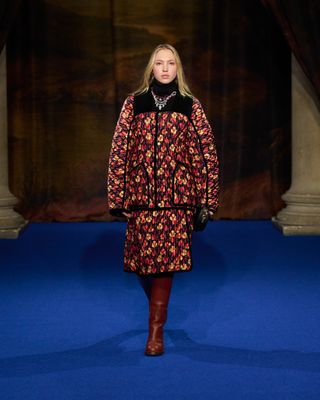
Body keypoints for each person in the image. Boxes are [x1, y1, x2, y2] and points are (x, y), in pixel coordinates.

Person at [107, 43, 219, 356]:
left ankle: (155, 331)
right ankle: (159, 304)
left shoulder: (189, 105)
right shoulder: (135, 103)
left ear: (178, 68)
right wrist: (118, 197)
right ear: (151, 68)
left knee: (165, 263)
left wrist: (207, 201)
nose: (166, 69)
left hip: (177, 198)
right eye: (160, 63)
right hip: (141, 195)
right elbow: (119, 150)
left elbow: (206, 152)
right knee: (144, 263)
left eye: (171, 63)